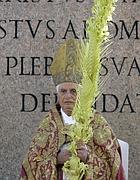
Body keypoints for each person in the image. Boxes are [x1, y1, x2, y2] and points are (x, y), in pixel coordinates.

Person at [20, 39, 126, 180]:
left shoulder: (97, 122)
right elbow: (31, 166)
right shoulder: (48, 125)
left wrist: (88, 157)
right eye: (63, 91)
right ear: (58, 94)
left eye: (73, 91)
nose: (68, 96)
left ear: (81, 93)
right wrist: (55, 160)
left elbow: (113, 168)